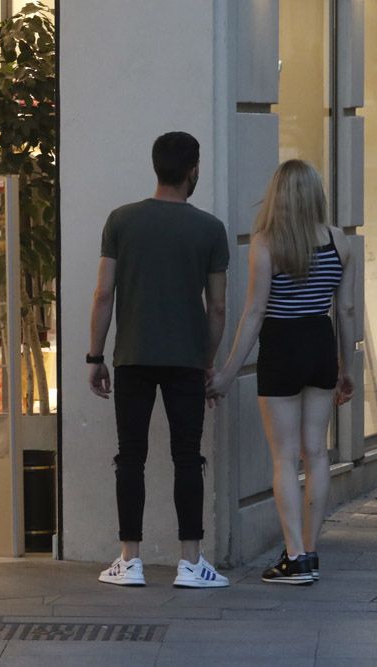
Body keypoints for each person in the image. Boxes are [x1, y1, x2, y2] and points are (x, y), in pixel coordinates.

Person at [88, 131, 230, 588]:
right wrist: (208, 361)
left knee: (131, 456)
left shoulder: (121, 221)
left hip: (131, 355)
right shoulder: (209, 229)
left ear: (155, 167)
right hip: (187, 358)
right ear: (194, 170)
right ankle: (191, 561)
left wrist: (95, 355)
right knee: (187, 457)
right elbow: (219, 306)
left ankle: (129, 559)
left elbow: (103, 293)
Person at [207, 160, 354, 585]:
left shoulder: (266, 242)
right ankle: (310, 550)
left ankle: (294, 558)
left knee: (285, 458)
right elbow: (345, 310)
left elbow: (253, 313)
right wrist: (346, 366)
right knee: (318, 453)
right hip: (320, 344)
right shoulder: (338, 241)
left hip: (282, 348)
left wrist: (227, 374)